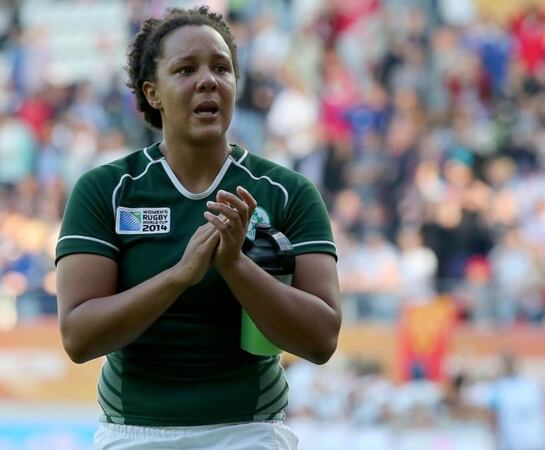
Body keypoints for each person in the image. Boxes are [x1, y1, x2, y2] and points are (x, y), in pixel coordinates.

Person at [54, 7, 340, 449]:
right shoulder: (107, 190)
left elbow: (322, 341)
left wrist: (236, 267)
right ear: (153, 93)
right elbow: (78, 337)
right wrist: (179, 276)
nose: (208, 81)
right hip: (133, 434)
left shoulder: (287, 192)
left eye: (221, 68)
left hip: (249, 432)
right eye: (186, 69)